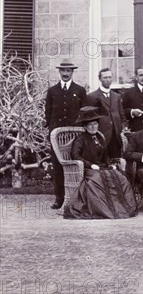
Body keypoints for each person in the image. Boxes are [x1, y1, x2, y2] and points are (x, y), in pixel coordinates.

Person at [65, 107, 137, 219]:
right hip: (87, 169)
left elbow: (105, 155)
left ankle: (120, 208)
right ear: (85, 126)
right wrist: (90, 165)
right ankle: (104, 210)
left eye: (95, 124)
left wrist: (110, 164)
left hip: (101, 167)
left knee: (120, 177)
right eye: (90, 125)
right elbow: (75, 155)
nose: (93, 127)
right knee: (97, 179)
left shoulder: (100, 137)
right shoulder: (80, 139)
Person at [45, 60, 88, 209]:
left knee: (76, 163)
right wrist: (52, 130)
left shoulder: (80, 90)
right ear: (59, 72)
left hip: (75, 134)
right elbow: (48, 113)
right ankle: (59, 198)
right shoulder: (52, 91)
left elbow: (85, 114)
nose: (65, 73)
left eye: (68, 71)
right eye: (63, 71)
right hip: (57, 135)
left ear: (72, 72)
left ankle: (78, 198)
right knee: (58, 165)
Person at [87, 68, 126, 158]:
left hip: (116, 136)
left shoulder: (116, 96)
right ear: (100, 79)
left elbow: (122, 116)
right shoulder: (92, 96)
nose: (108, 80)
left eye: (110, 77)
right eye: (105, 77)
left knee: (116, 161)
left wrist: (122, 130)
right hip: (101, 134)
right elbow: (90, 118)